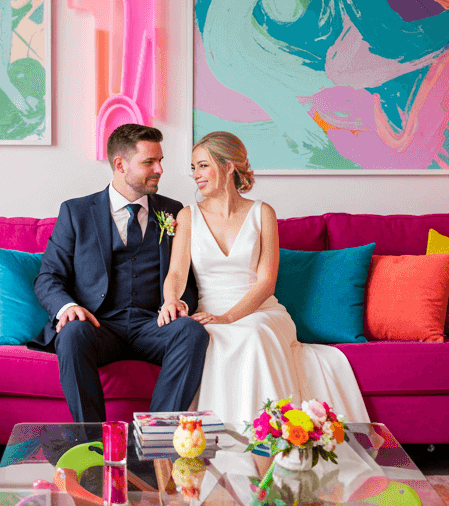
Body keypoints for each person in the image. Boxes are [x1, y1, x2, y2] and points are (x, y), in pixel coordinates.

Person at [158, 131, 369, 425]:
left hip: (260, 310)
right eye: (193, 168)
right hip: (209, 311)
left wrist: (229, 317)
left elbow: (266, 282)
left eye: (203, 165)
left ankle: (265, 440)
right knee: (204, 338)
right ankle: (219, 444)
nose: (196, 175)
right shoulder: (187, 216)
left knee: (254, 334)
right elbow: (177, 272)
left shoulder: (263, 213)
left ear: (229, 165)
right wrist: (171, 300)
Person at [33, 124, 210, 423]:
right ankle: (92, 443)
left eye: (161, 161)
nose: (159, 170)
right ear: (120, 164)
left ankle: (155, 440)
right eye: (149, 162)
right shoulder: (76, 212)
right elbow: (48, 277)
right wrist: (69, 307)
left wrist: (181, 304)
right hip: (99, 324)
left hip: (153, 323)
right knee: (71, 333)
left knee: (191, 332)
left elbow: (187, 277)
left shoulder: (174, 210)